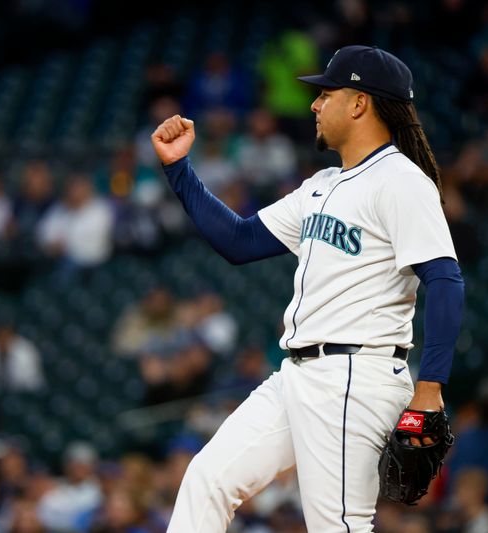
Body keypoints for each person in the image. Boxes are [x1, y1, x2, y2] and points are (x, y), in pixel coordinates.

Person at [151, 45, 465, 531]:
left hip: (353, 377)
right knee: (206, 481)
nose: (315, 104)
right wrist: (179, 169)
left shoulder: (401, 180)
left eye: (326, 93)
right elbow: (240, 240)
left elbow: (444, 279)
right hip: (298, 373)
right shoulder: (322, 183)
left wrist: (430, 390)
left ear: (359, 103)